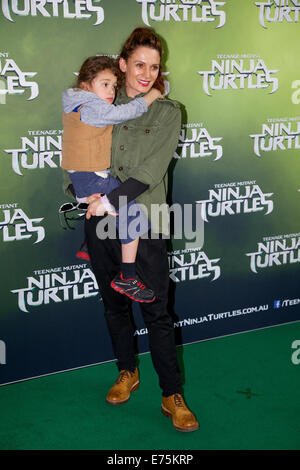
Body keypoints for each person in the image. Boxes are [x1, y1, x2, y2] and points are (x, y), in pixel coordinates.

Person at [63, 27, 199, 432]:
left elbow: (150, 172)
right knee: (113, 304)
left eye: (154, 67)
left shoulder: (168, 111)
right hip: (99, 221)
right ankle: (127, 371)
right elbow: (75, 151)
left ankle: (171, 393)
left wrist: (110, 200)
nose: (147, 73)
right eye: (139, 64)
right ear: (121, 65)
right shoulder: (98, 103)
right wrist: (82, 194)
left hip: (146, 223)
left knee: (156, 311)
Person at [61, 55, 163, 303]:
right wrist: (154, 94)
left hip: (83, 178)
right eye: (104, 84)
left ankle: (89, 244)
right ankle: (127, 277)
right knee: (133, 216)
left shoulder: (75, 104)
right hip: (92, 177)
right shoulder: (92, 107)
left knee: (114, 208)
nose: (111, 91)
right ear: (86, 85)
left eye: (113, 85)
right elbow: (127, 112)